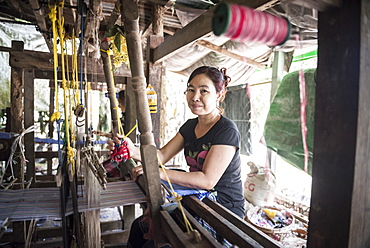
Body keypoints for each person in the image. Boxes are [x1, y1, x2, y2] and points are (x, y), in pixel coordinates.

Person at [108, 66, 245, 247]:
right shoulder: (189, 127)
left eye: (204, 91)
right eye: (191, 89)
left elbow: (207, 181)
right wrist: (132, 150)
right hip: (197, 200)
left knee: (155, 244)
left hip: (222, 210)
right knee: (138, 229)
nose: (195, 97)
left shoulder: (226, 131)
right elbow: (161, 155)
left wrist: (159, 174)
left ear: (219, 95)